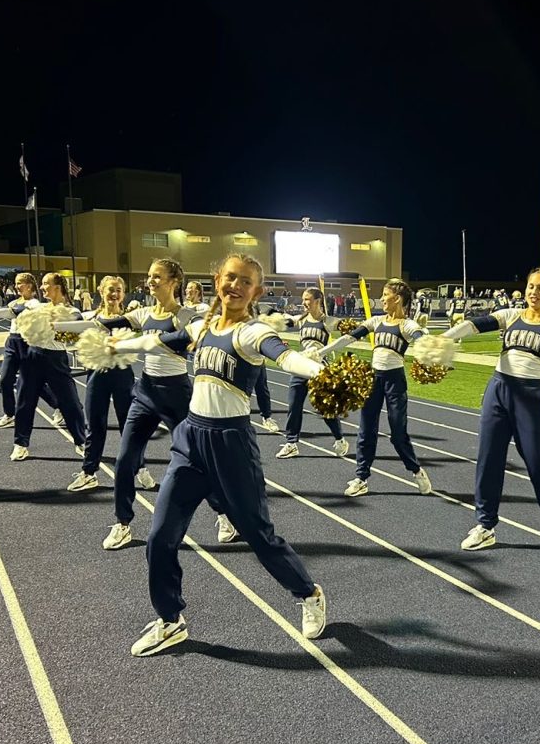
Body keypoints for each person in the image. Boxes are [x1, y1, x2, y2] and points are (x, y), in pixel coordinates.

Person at [109, 253, 327, 656]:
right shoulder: (199, 325)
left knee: (259, 536)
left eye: (245, 282)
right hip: (190, 439)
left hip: (231, 445)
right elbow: (155, 340)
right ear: (217, 279)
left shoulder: (252, 332)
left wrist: (319, 371)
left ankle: (308, 593)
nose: (236, 286)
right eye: (230, 277)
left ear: (256, 291)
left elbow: (285, 356)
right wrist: (116, 343)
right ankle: (170, 620)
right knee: (160, 536)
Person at [441, 267, 540, 551]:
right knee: (488, 458)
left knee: (536, 462)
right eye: (530, 286)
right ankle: (485, 524)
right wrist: (446, 337)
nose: (534, 292)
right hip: (498, 390)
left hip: (530, 397)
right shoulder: (510, 315)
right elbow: (476, 324)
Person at [96, 259, 198, 550]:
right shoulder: (142, 313)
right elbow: (108, 322)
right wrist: (71, 326)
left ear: (173, 281)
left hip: (177, 394)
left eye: (157, 277)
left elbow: (176, 343)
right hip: (146, 393)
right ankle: (122, 523)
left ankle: (224, 515)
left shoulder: (185, 316)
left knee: (198, 459)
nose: (150, 281)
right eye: (149, 276)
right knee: (126, 458)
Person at [319, 278, 433, 498]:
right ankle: (361, 477)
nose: (381, 299)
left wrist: (426, 339)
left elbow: (420, 337)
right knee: (366, 430)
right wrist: (321, 353)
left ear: (397, 299)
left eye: (385, 295)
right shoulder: (376, 321)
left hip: (394, 381)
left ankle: (416, 471)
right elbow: (348, 338)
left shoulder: (406, 325)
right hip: (373, 379)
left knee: (398, 432)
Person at [67, 276, 138, 492]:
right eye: (110, 290)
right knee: (95, 426)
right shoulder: (90, 318)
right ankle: (89, 472)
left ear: (123, 293)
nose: (114, 294)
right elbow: (68, 338)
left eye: (118, 290)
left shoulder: (131, 320)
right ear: (100, 291)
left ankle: (138, 467)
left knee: (129, 426)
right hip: (96, 376)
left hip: (122, 376)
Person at [9, 273, 86, 461]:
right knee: (24, 402)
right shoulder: (38, 308)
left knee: (71, 403)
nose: (42, 288)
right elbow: (11, 313)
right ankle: (20, 444)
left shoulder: (73, 312)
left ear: (58, 287)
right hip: (32, 356)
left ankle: (81, 442)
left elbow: (72, 337)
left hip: (56, 359)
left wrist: (49, 328)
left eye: (46, 284)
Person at [275, 287, 350, 459]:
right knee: (294, 406)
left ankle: (340, 439)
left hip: (319, 369)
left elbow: (348, 336)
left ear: (317, 301)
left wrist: (321, 352)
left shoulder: (327, 321)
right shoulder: (301, 319)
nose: (303, 302)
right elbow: (282, 322)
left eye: (307, 299)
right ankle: (291, 443)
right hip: (301, 367)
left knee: (325, 409)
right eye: (303, 299)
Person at [0, 272, 61, 429]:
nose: (16, 286)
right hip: (11, 343)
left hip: (26, 343)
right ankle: (10, 414)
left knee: (33, 382)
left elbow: (13, 311)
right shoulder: (14, 302)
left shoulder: (35, 304)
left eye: (19, 283)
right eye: (15, 283)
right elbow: (9, 310)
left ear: (29, 286)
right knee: (5, 379)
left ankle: (59, 406)